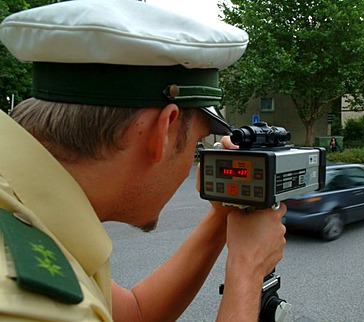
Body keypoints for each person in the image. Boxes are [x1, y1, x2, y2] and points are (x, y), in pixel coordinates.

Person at [0, 1, 286, 321]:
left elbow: (134, 314)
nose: (197, 152)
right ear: (163, 131)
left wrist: (222, 215)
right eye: (195, 142)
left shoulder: (24, 210)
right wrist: (248, 269)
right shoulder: (29, 306)